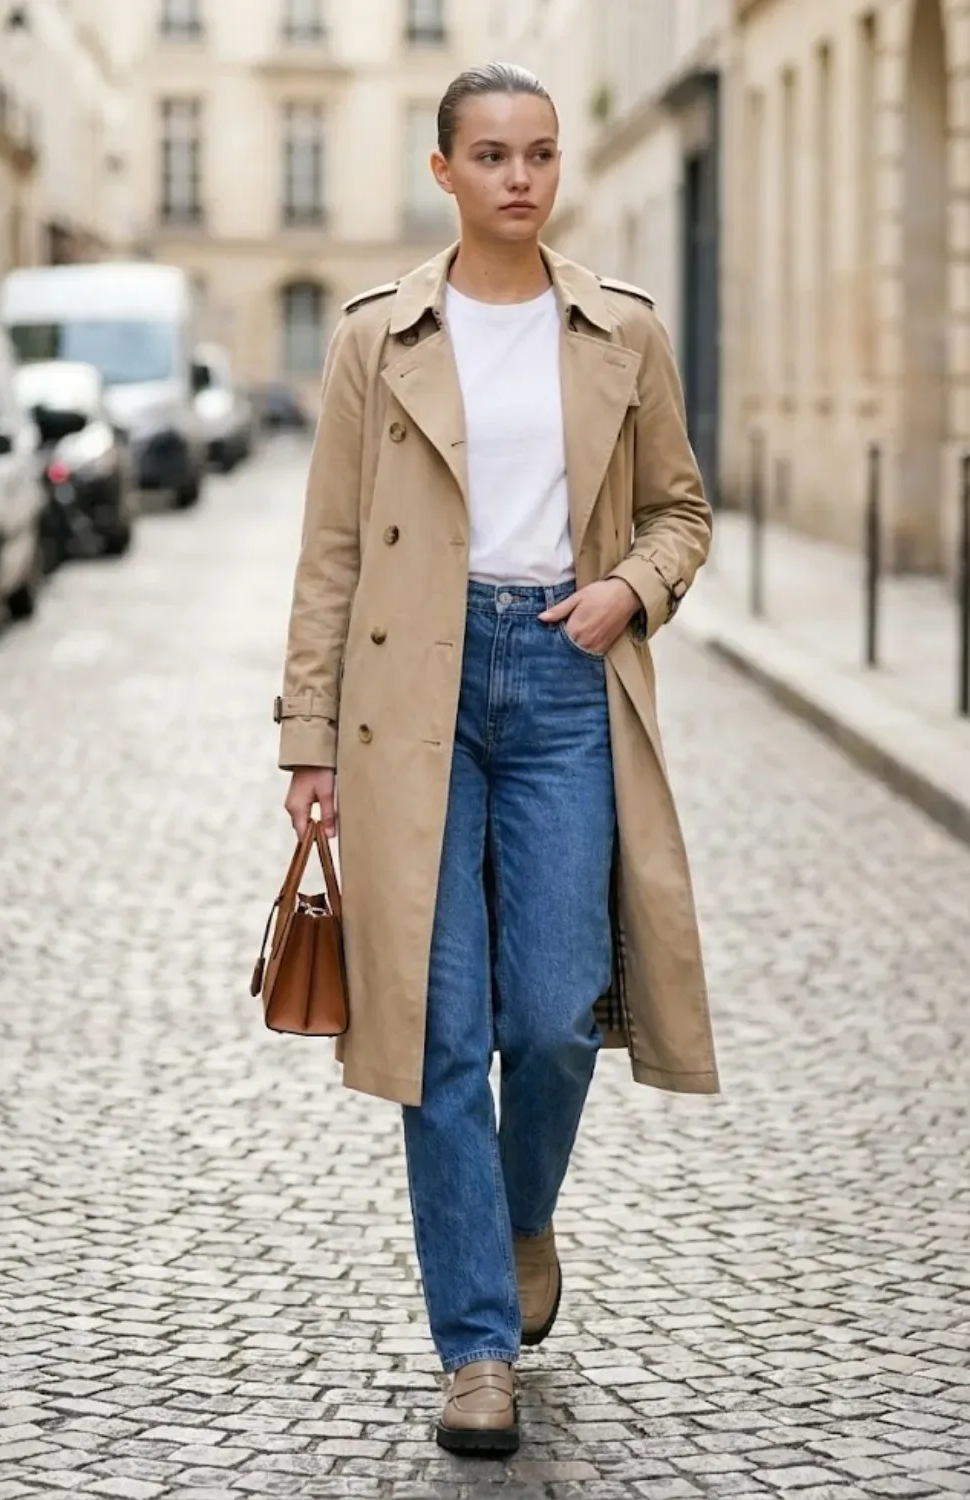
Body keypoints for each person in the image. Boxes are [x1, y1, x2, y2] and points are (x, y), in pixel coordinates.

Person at [276, 62, 719, 1457]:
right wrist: (307, 738)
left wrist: (628, 592)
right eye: (490, 154)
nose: (519, 177)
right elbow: (335, 552)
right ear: (444, 172)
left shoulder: (624, 332)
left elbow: (682, 512)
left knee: (553, 1014)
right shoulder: (379, 340)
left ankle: (523, 1219)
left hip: (566, 680)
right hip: (415, 694)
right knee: (440, 1033)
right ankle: (476, 1347)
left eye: (538, 153)